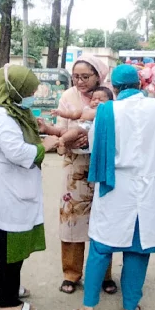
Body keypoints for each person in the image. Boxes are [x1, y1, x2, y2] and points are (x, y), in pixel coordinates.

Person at [66, 64, 155, 310]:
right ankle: (130, 308)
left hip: (115, 188)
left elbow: (95, 144)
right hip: (148, 188)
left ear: (115, 89)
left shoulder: (106, 111)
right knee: (138, 250)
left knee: (100, 248)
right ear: (140, 85)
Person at [0, 64, 60, 310]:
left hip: (15, 183)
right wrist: (46, 145)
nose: (32, 94)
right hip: (5, 184)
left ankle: (10, 287)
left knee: (15, 239)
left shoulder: (15, 110)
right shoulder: (0, 115)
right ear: (15, 89)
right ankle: (4, 302)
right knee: (5, 242)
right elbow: (16, 152)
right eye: (29, 90)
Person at [38, 54, 118, 295]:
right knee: (72, 219)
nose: (80, 82)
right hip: (75, 165)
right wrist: (68, 138)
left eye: (86, 77)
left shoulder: (109, 96)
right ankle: (71, 273)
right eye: (76, 77)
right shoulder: (68, 96)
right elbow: (61, 126)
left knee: (103, 219)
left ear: (98, 76)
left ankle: (104, 274)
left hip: (101, 164)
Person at [52, 86, 113, 154]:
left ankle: (62, 139)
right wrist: (60, 113)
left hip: (88, 134)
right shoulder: (86, 109)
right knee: (63, 131)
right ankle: (49, 131)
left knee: (77, 130)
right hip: (77, 136)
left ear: (110, 102)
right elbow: (73, 114)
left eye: (100, 100)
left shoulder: (107, 112)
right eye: (93, 99)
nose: (96, 102)